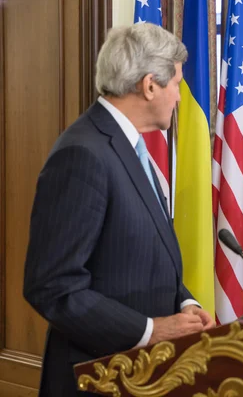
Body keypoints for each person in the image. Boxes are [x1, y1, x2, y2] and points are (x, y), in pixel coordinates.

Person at [23, 23, 215, 396]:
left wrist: (184, 302)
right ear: (149, 85)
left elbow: (143, 253)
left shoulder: (130, 148)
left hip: (137, 375)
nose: (178, 96)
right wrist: (152, 329)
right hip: (95, 378)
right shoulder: (83, 154)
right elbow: (51, 287)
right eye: (176, 83)